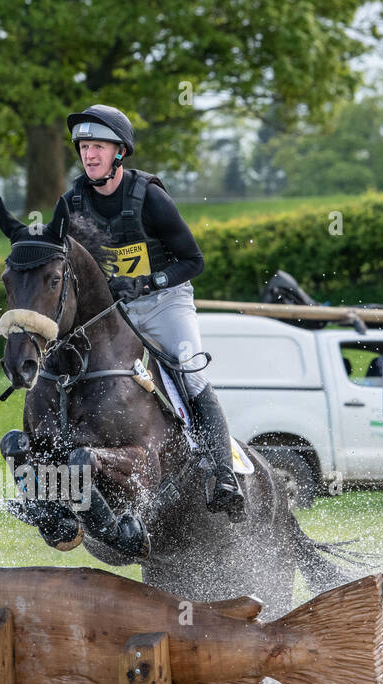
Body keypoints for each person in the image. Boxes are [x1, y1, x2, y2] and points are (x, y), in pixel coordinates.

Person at [59, 104, 245, 519]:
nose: (89, 156)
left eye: (98, 148)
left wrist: (147, 282)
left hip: (165, 303)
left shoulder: (151, 198)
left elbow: (192, 260)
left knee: (189, 370)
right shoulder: (70, 204)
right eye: (84, 147)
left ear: (119, 153)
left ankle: (224, 474)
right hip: (112, 315)